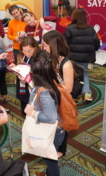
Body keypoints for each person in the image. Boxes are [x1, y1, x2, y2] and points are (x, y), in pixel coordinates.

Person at [24, 50, 65, 176]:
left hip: (52, 131)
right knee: (50, 157)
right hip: (55, 130)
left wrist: (32, 114)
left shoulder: (45, 92)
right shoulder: (48, 82)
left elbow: (51, 118)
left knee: (51, 161)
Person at [41, 30, 73, 158]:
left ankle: (60, 150)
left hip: (63, 99)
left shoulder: (66, 64)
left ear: (53, 46)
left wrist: (51, 85)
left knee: (61, 125)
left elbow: (68, 88)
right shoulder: (52, 59)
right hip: (54, 97)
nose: (43, 48)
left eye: (45, 45)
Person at [64, 8, 100, 101]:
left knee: (73, 75)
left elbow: (65, 44)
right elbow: (96, 43)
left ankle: (73, 93)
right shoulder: (91, 29)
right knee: (84, 74)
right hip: (88, 59)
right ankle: (86, 93)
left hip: (73, 58)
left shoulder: (70, 29)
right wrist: (92, 51)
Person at [8, 37, 40, 116]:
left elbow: (41, 76)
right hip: (22, 87)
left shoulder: (38, 58)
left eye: (29, 50)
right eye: (24, 51)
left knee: (33, 111)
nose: (27, 53)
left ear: (35, 47)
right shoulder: (21, 56)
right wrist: (15, 67)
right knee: (24, 110)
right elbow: (21, 68)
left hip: (33, 89)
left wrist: (29, 80)